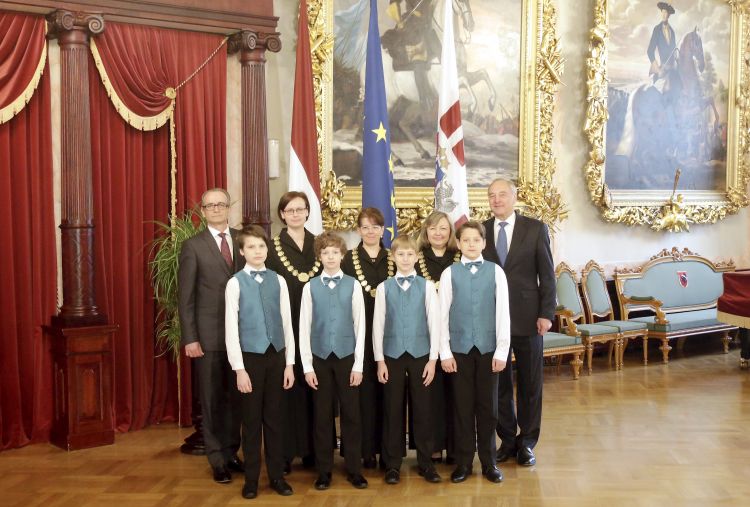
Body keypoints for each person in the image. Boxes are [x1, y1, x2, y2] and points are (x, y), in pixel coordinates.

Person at [481, 179, 556, 467]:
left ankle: (527, 443)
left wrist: (546, 314)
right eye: (492, 195)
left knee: (530, 383)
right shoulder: (480, 231)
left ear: (514, 197)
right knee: (498, 384)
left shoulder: (535, 229)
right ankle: (508, 440)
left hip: (529, 318)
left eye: (502, 194)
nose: (496, 200)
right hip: (492, 320)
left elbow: (547, 275)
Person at [178, 188, 245, 484]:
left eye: (221, 204)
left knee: (235, 400)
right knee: (212, 400)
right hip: (208, 338)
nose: (216, 209)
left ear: (229, 207)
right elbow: (185, 298)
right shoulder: (192, 246)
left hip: (241, 338)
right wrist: (190, 338)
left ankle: (231, 453)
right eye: (210, 205)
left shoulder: (244, 240)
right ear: (203, 211)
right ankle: (217, 459)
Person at [224, 226, 295, 499]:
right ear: (242, 252)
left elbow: (287, 324)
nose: (257, 251)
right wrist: (239, 369)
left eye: (261, 246)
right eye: (251, 247)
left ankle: (277, 476)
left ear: (267, 249)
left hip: (276, 357)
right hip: (249, 360)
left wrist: (289, 364)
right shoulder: (235, 283)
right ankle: (251, 479)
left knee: (275, 420)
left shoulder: (279, 281)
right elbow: (231, 329)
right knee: (251, 422)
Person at [439, 221, 510, 484]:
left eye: (476, 240)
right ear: (458, 244)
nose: (471, 244)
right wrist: (444, 351)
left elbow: (503, 313)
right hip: (459, 350)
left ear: (484, 243)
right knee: (462, 407)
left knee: (488, 408)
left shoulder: (496, 272)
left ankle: (490, 462)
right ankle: (464, 462)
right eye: (466, 240)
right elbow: (442, 315)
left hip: (489, 349)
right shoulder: (449, 273)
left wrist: (502, 350)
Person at [299, 231, 368, 490]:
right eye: (325, 252)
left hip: (347, 357)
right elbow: (304, 328)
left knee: (352, 415)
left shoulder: (353, 285)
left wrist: (358, 365)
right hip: (319, 358)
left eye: (335, 252)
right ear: (319, 256)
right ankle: (324, 470)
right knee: (322, 415)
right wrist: (307, 367)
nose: (330, 257)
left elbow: (360, 326)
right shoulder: (310, 287)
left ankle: (354, 469)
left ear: (342, 255)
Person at [372, 235, 442, 485]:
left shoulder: (427, 286)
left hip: (421, 355)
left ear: (416, 257)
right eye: (400, 254)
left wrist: (433, 359)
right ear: (393, 257)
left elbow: (435, 324)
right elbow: (378, 326)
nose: (405, 258)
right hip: (391, 355)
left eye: (409, 254)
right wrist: (379, 360)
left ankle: (426, 462)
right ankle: (392, 464)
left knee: (423, 409)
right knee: (392, 409)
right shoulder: (384, 288)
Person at [266, 191, 321, 473]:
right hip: (284, 326)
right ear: (282, 215)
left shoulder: (319, 244)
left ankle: (314, 451)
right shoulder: (271, 247)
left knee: (315, 388)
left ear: (308, 212)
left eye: (300, 209)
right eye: (290, 210)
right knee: (285, 389)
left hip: (317, 327)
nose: (296, 214)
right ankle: (285, 453)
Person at [341, 207, 394, 468]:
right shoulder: (347, 260)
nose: (370, 231)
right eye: (365, 227)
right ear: (358, 230)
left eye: (375, 227)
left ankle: (388, 451)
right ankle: (365, 451)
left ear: (383, 230)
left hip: (390, 335)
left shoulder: (394, 258)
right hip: (358, 335)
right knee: (362, 394)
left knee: (389, 394)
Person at [414, 211, 461, 464]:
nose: (438, 233)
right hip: (425, 333)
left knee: (457, 393)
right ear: (426, 231)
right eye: (433, 228)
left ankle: (455, 446)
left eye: (443, 228)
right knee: (430, 394)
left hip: (457, 334)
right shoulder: (416, 258)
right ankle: (432, 446)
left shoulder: (460, 257)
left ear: (451, 231)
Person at [647, 2, 677, 84]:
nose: (663, 15)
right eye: (662, 12)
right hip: (662, 70)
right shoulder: (657, 30)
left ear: (669, 15)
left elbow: (674, 52)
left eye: (666, 12)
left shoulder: (672, 31)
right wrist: (657, 70)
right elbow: (650, 51)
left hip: (673, 69)